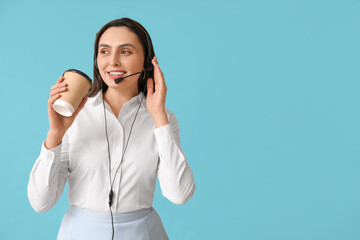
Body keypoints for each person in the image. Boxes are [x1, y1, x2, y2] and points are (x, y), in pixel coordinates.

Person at [27, 18, 196, 240]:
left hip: (143, 233)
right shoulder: (75, 115)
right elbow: (41, 203)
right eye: (104, 51)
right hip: (79, 233)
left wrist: (158, 117)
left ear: (146, 62)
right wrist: (55, 135)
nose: (113, 62)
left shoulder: (163, 118)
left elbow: (180, 195)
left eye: (125, 51)